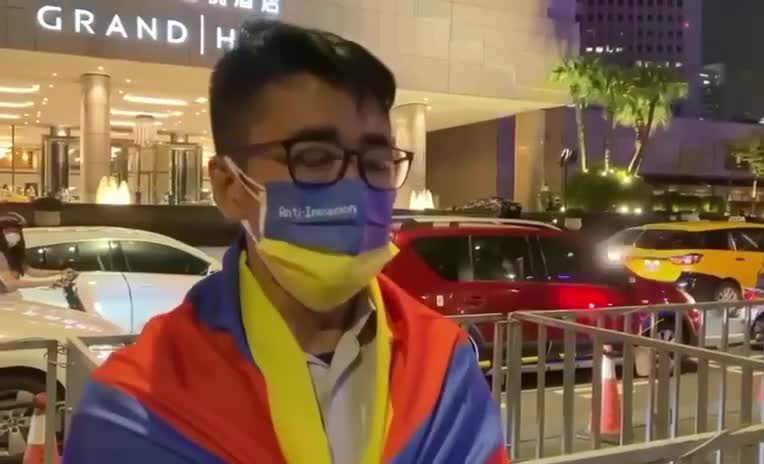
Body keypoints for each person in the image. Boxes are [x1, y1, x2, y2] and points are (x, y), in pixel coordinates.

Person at [64, 20, 508, 464]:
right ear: (228, 186)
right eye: (313, 158)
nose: (355, 187)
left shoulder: (445, 367)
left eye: (376, 160)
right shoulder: (136, 405)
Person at [0, 213, 69, 293]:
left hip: (11, 297)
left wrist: (60, 272)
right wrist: (49, 282)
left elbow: (30, 271)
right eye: (8, 231)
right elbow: (11, 283)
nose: (13, 234)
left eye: (16, 231)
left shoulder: (14, 252)